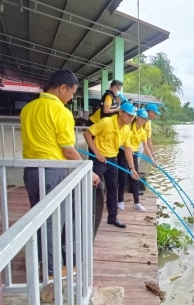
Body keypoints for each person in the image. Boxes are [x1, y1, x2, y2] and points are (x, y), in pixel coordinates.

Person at [20, 68, 100, 278]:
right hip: (52, 172)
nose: (71, 98)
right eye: (72, 93)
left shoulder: (28, 108)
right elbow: (67, 149)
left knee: (38, 217)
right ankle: (51, 270)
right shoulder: (60, 111)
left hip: (30, 171)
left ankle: (41, 259)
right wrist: (87, 170)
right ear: (62, 88)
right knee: (54, 221)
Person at [84, 102, 140, 228]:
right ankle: (88, 218)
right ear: (120, 112)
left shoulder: (126, 129)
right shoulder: (106, 122)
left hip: (112, 160)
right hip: (98, 160)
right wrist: (96, 152)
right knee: (95, 189)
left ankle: (112, 217)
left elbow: (127, 149)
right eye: (129, 115)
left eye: (132, 116)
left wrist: (132, 168)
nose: (131, 118)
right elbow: (87, 134)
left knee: (113, 189)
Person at [118, 109, 157, 212]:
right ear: (137, 117)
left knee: (135, 178)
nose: (144, 120)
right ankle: (120, 200)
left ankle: (137, 202)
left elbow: (146, 146)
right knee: (123, 177)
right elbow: (122, 142)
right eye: (142, 118)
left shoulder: (143, 131)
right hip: (124, 153)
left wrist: (152, 159)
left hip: (134, 154)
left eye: (145, 119)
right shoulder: (128, 128)